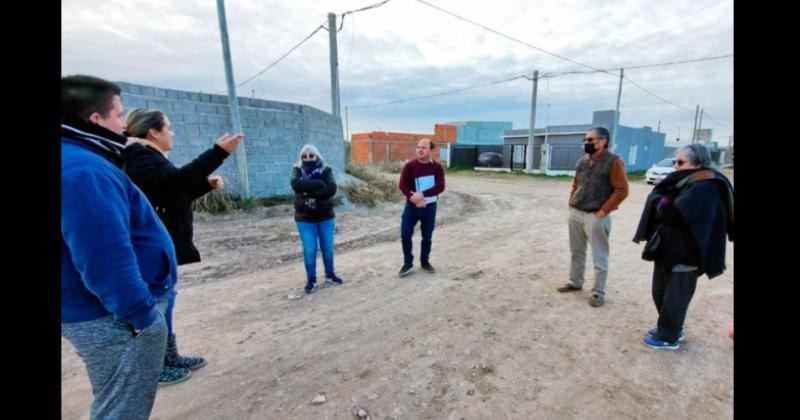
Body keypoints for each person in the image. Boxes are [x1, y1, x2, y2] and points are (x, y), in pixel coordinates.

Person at [61, 75, 175, 419]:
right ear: (95, 119)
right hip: (109, 315)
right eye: (119, 115)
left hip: (100, 310)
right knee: (120, 408)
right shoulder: (83, 170)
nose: (124, 126)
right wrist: (141, 314)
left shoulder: (78, 159)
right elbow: (104, 253)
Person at [122, 107, 243, 384]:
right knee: (156, 306)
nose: (172, 132)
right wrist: (218, 152)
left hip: (161, 246)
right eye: (169, 127)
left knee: (166, 301)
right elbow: (174, 181)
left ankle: (168, 356)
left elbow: (170, 189)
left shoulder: (148, 156)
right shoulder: (139, 156)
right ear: (154, 132)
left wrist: (203, 186)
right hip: (149, 247)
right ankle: (153, 367)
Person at [633, 143, 734, 350]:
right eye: (675, 162)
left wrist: (663, 200)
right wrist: (663, 200)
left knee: (675, 296)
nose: (676, 167)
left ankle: (668, 337)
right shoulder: (686, 181)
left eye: (680, 162)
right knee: (659, 291)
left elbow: (673, 213)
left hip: (687, 254)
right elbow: (661, 200)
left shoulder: (708, 186)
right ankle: (669, 327)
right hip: (667, 249)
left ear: (697, 163)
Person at [556, 127, 629, 307]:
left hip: (596, 215)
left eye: (590, 140)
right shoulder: (583, 161)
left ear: (603, 141)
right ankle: (575, 282)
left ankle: (598, 292)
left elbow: (622, 190)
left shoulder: (614, 162)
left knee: (599, 256)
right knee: (577, 251)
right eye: (585, 140)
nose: (586, 143)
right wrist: (571, 202)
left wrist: (603, 212)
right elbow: (576, 184)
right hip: (576, 212)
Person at [290, 144, 343, 293]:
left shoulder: (326, 170)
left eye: (311, 155)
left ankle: (330, 275)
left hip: (326, 217)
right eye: (304, 156)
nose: (308, 159)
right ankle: (311, 280)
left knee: (327, 248)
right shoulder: (297, 170)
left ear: (317, 156)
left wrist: (308, 192)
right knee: (310, 249)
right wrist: (320, 184)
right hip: (304, 219)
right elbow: (296, 185)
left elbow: (331, 189)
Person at [398, 138, 446, 277]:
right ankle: (408, 263)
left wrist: (422, 195)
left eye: (424, 147)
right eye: (418, 147)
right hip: (411, 206)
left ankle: (425, 262)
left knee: (427, 236)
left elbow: (440, 186)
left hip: (429, 207)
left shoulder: (437, 167)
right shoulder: (410, 166)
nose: (420, 150)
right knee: (405, 234)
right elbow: (403, 185)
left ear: (431, 150)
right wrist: (413, 198)